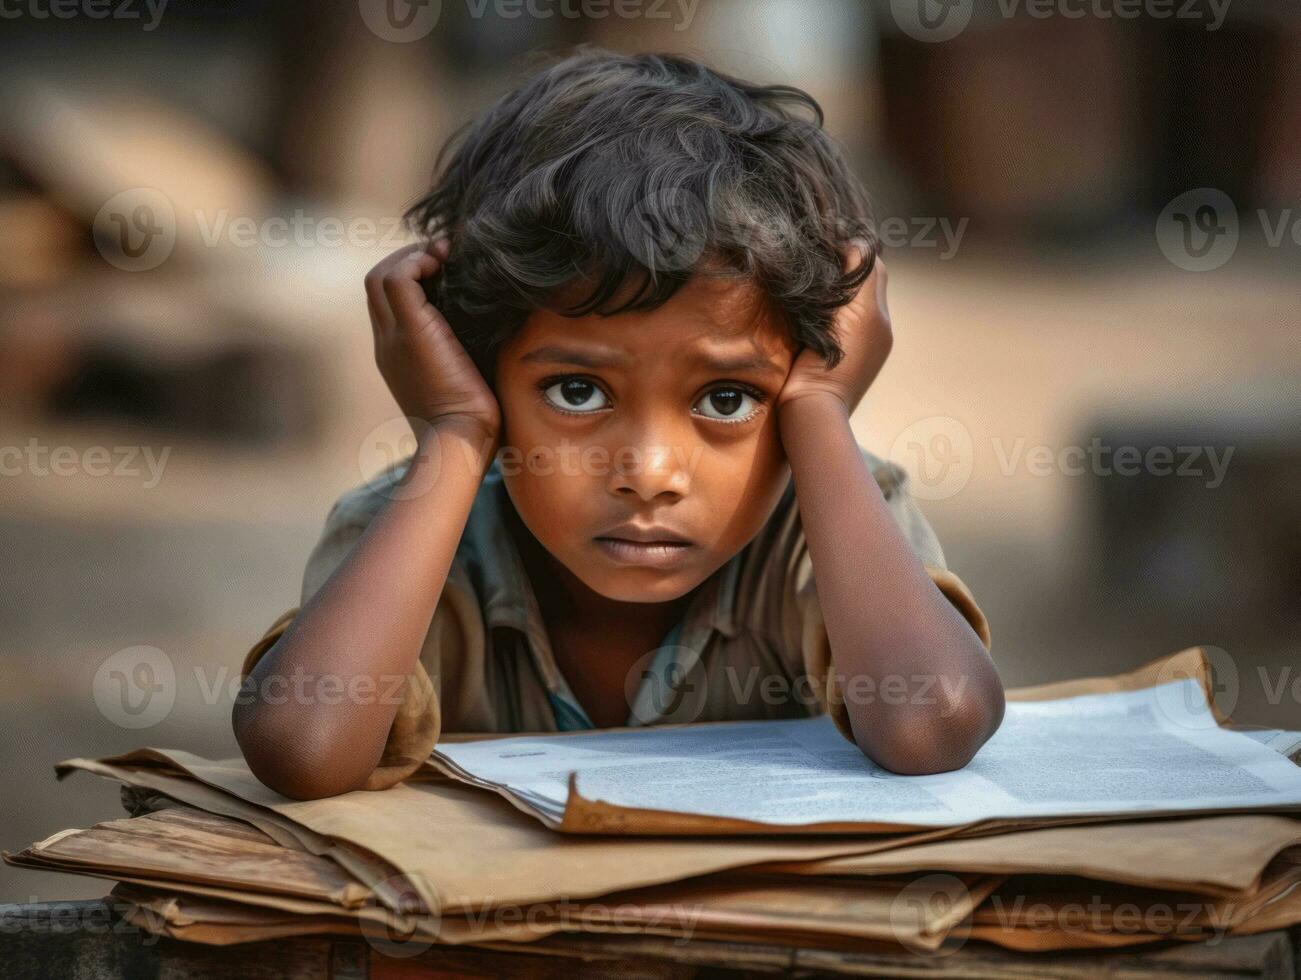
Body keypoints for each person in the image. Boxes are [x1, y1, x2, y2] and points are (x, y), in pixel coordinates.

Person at [232, 48, 1004, 800]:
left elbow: (931, 724)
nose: (649, 472)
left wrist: (821, 412)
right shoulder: (412, 532)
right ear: (478, 364)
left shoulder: (827, 529)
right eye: (576, 391)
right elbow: (303, 748)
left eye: (727, 399)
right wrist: (456, 432)